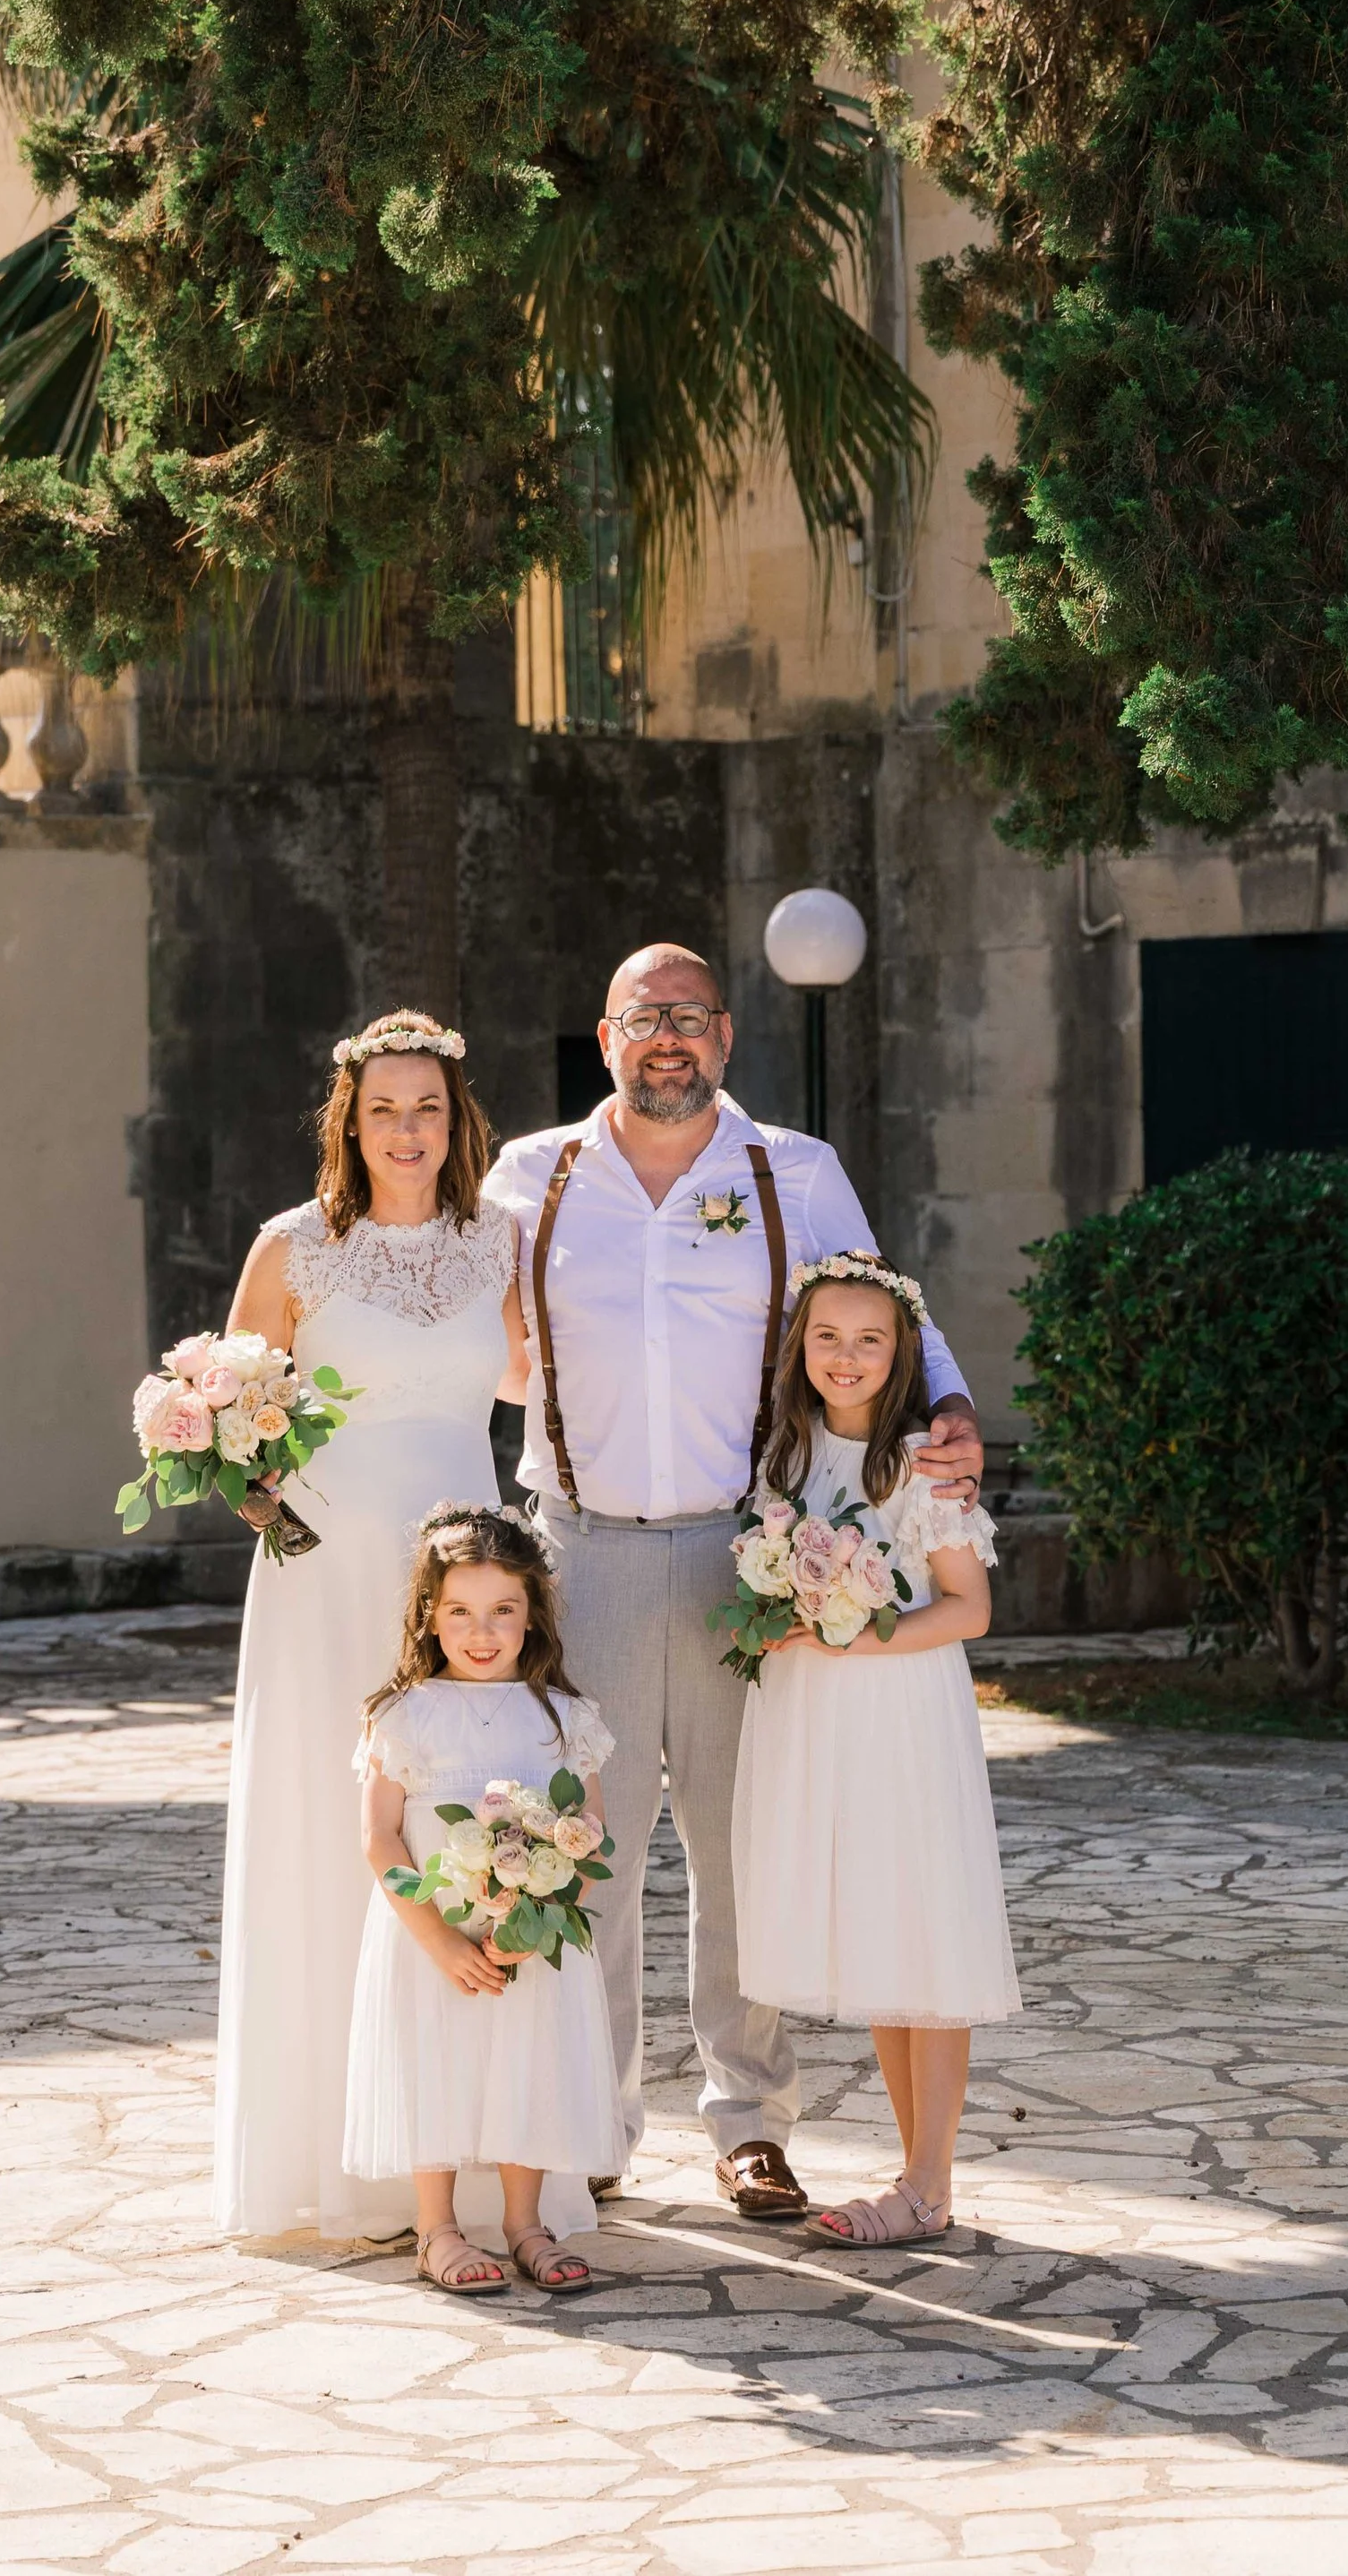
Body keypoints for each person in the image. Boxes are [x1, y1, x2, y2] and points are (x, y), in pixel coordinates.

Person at [483, 941, 984, 2223]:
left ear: (727, 1037)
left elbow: (891, 1317)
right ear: (603, 1036)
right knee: (583, 1848)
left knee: (737, 1847)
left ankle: (749, 2121)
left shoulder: (792, 1170)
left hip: (741, 1554)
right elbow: (465, 1335)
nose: (670, 1039)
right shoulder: (532, 1174)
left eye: (693, 1019)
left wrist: (956, 1409)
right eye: (645, 1017)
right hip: (575, 1545)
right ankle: (590, 2116)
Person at [212, 1009, 526, 2242]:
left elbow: (544, 1379)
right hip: (329, 1574)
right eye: (384, 1107)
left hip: (467, 1579)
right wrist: (270, 1515)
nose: (407, 1128)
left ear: (460, 1122)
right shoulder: (292, 1248)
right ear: (348, 1120)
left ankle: (463, 2152)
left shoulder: (500, 1241)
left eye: (429, 1107)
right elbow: (224, 1416)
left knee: (466, 1820)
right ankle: (332, 2154)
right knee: (326, 1833)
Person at [733, 1252, 1019, 2246]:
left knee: (925, 1938)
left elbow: (969, 1609)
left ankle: (928, 2185)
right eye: (826, 1338)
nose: (845, 1358)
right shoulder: (786, 1453)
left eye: (869, 1340)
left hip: (899, 1710)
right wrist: (774, 1613)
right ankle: (914, 2176)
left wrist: (864, 1631)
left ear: (903, 1351)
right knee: (885, 1939)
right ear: (797, 1348)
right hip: (817, 1714)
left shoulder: (917, 1462)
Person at [345, 1501, 624, 2292]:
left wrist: (521, 1930)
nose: (483, 1631)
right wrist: (439, 1942)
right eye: (461, 1612)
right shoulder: (403, 1714)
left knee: (527, 2063)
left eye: (504, 1611)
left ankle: (525, 2222)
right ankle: (436, 2229)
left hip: (531, 1936)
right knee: (435, 2058)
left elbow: (587, 1833)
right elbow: (381, 1839)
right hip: (428, 1936)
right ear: (429, 1619)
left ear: (533, 1615)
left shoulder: (563, 1719)